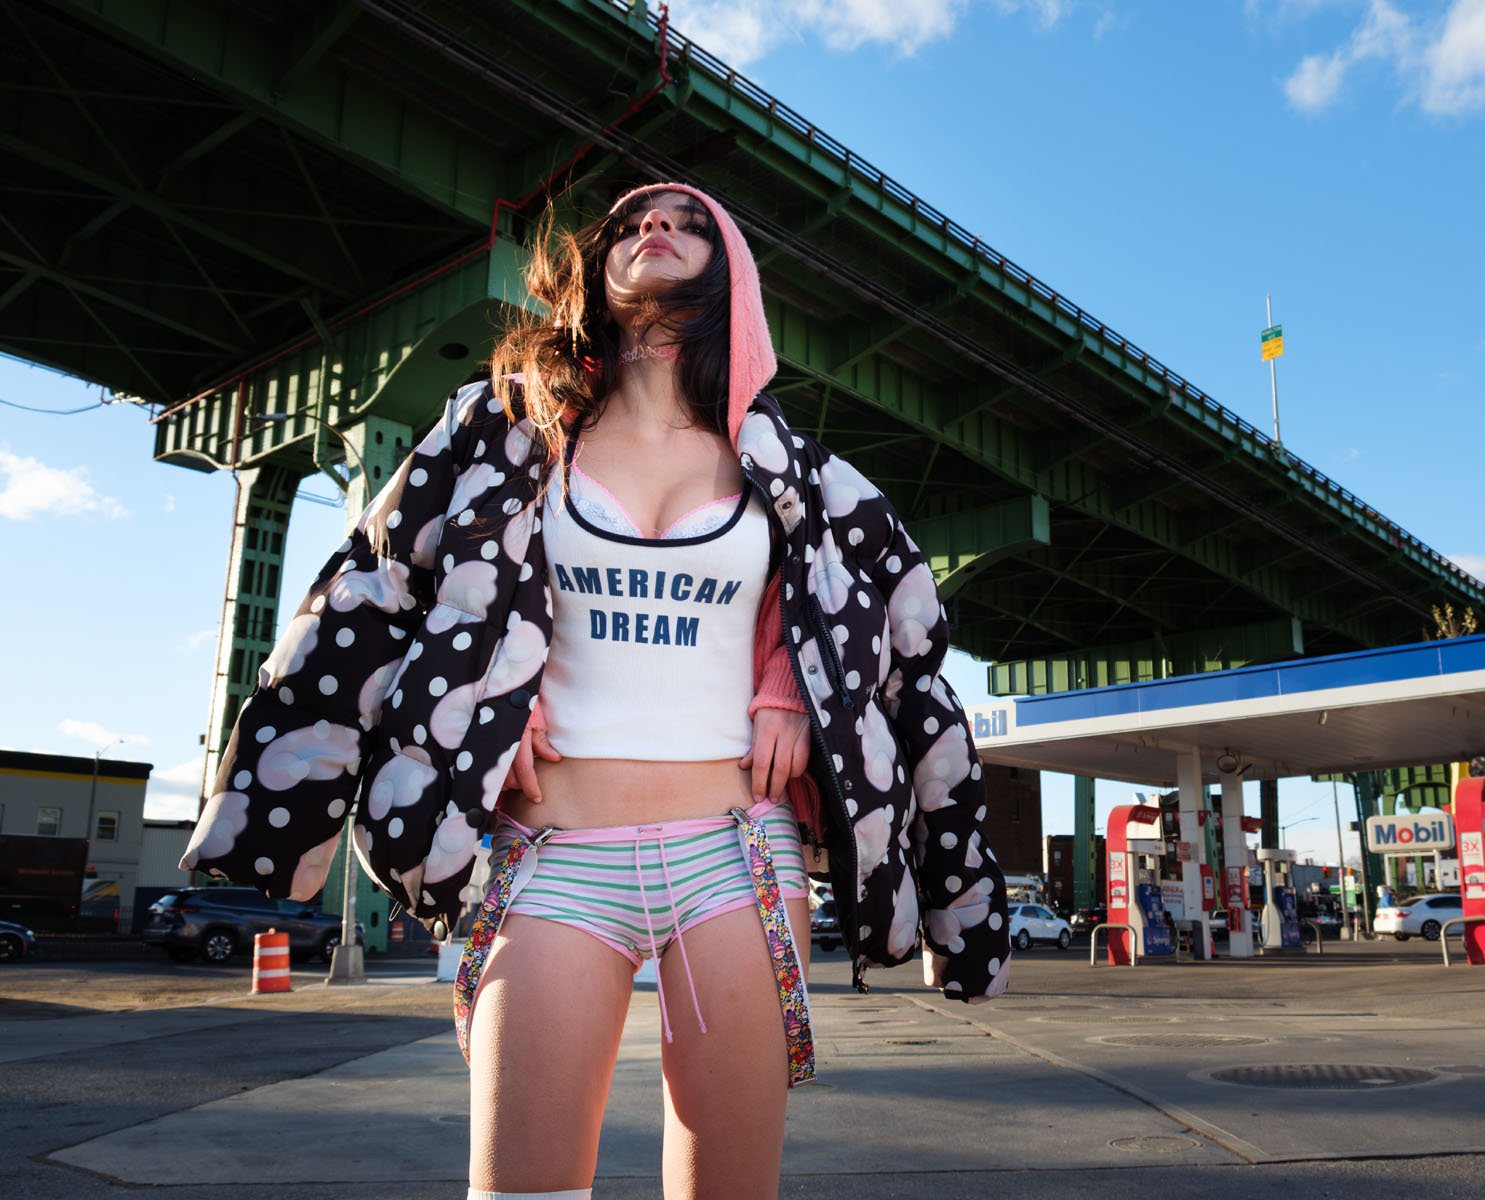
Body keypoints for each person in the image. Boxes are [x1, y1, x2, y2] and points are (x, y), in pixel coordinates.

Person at [180, 183, 1012, 1200]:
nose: (658, 228)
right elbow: (373, 585)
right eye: (631, 223)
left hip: (737, 862)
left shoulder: (795, 470)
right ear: (596, 267)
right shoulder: (506, 433)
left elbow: (901, 638)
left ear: (734, 278)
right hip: (553, 858)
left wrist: (791, 674)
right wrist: (486, 678)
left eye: (691, 222)